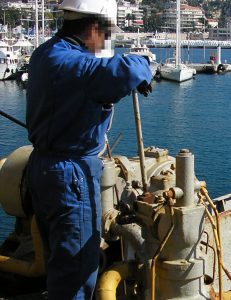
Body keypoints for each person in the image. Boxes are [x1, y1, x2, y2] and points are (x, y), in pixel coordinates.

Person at [25, 0, 152, 299]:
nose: (105, 43)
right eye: (105, 35)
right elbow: (125, 71)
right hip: (72, 177)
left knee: (58, 260)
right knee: (77, 272)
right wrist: (145, 65)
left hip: (41, 168)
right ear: (94, 28)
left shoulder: (45, 54)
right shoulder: (79, 67)